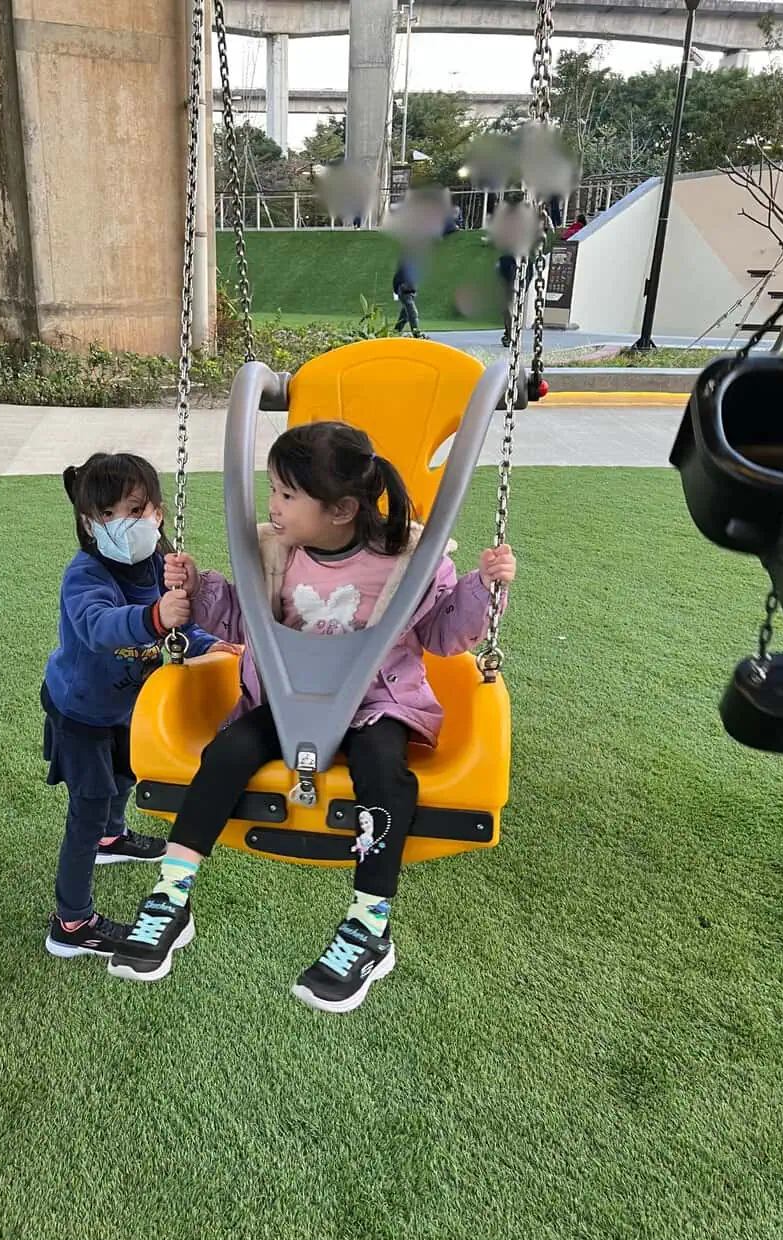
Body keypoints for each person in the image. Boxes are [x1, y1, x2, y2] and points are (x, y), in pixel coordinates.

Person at [104, 422, 517, 1013]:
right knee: (225, 754)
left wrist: (483, 587)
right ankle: (172, 896)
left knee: (384, 771)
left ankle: (369, 925)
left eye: (287, 495)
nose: (272, 506)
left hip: (376, 703)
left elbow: (445, 633)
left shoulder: (407, 558)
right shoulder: (276, 554)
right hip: (286, 698)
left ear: (343, 509)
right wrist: (199, 589)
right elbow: (244, 626)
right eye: (272, 489)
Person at [42, 452, 226, 961]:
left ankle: (112, 838)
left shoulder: (157, 563)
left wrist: (211, 643)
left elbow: (182, 622)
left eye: (136, 509)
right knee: (88, 803)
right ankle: (71, 922)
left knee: (127, 773)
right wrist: (154, 616)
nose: (124, 523)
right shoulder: (85, 575)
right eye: (108, 515)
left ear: (158, 513)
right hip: (79, 709)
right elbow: (101, 627)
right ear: (88, 523)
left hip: (127, 706)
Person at [393, 255, 423, 337]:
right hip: (405, 293)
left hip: (410, 293)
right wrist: (398, 290)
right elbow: (396, 280)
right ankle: (416, 334)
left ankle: (395, 332)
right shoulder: (404, 269)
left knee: (404, 316)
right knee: (413, 313)